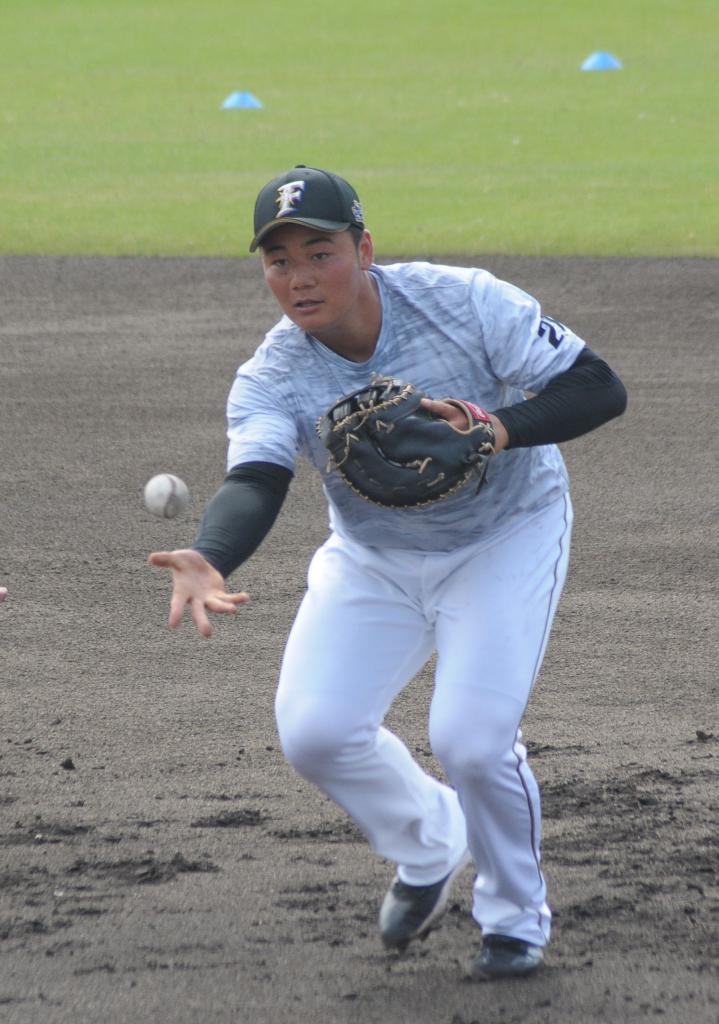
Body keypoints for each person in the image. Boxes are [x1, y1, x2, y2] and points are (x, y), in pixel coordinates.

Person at [150, 165, 627, 980]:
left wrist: (494, 427)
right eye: (278, 260)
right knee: (315, 732)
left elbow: (597, 387)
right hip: (373, 557)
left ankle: (514, 918)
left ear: (363, 248)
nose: (298, 277)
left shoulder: (463, 300)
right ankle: (429, 839)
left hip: (503, 539)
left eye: (319, 252)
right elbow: (257, 478)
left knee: (471, 743)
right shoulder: (272, 375)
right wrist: (210, 555)